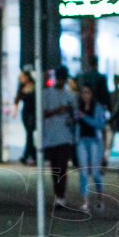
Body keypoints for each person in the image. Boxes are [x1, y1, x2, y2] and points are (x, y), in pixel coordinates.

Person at [41, 65, 78, 209]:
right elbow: (43, 113)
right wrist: (58, 110)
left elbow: (75, 115)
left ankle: (61, 196)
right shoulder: (46, 94)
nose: (61, 82)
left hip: (65, 137)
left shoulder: (70, 96)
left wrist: (70, 116)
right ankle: (57, 194)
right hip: (50, 137)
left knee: (62, 168)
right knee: (54, 168)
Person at [75, 85, 107, 212]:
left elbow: (100, 124)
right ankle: (85, 202)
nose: (85, 96)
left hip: (94, 141)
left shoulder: (98, 107)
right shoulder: (78, 107)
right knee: (83, 172)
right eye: (83, 93)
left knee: (95, 172)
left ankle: (100, 199)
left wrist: (84, 117)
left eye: (87, 92)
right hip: (82, 141)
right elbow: (75, 126)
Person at [14, 68, 37, 166]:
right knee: (29, 133)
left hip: (33, 112)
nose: (21, 79)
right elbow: (17, 98)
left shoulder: (35, 86)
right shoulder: (22, 88)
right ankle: (33, 155)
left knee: (30, 133)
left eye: (23, 77)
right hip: (26, 112)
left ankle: (26, 155)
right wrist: (14, 109)